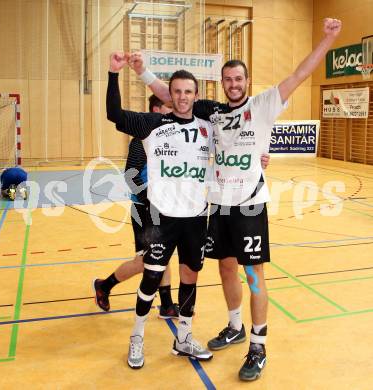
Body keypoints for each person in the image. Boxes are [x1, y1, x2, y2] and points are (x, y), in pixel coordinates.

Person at [129, 18, 342, 381]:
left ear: (246, 81)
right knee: (225, 267)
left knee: (254, 275)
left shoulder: (262, 105)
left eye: (238, 79)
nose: (233, 84)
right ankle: (234, 325)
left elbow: (299, 74)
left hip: (249, 205)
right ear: (222, 83)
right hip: (219, 207)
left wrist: (327, 39)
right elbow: (171, 95)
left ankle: (258, 345)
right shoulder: (210, 111)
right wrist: (143, 71)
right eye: (227, 79)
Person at [106, 53, 214, 369]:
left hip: (196, 218)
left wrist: (262, 155)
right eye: (177, 91)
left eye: (188, 92)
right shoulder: (154, 124)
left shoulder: (208, 126)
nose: (182, 97)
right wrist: (114, 73)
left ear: (196, 95)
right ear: (170, 94)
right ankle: (136, 339)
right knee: (152, 278)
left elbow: (239, 142)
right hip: (160, 218)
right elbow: (114, 113)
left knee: (190, 278)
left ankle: (184, 338)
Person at [93, 95, 180, 320]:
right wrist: (150, 197)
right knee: (143, 262)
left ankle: (167, 306)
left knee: (163, 255)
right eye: (168, 107)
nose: (172, 111)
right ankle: (105, 286)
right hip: (144, 209)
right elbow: (131, 175)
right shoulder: (142, 139)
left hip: (161, 208)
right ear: (155, 110)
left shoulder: (169, 138)